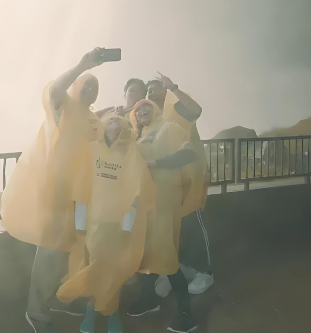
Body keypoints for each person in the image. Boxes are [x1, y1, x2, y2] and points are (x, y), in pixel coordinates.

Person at [0, 48, 108, 333]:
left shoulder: (92, 117)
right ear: (76, 86)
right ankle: (34, 310)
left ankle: (58, 298)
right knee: (49, 249)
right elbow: (55, 90)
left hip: (83, 196)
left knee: (72, 249)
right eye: (85, 84)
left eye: (93, 87)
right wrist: (82, 64)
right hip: (56, 191)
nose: (89, 89)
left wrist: (113, 112)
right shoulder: (64, 105)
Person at [55, 116, 156, 333]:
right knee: (95, 270)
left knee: (113, 271)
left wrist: (128, 225)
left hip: (117, 224)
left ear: (125, 129)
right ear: (103, 127)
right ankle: (94, 314)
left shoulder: (131, 153)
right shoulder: (91, 150)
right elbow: (82, 186)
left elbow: (137, 192)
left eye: (119, 124)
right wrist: (80, 222)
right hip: (94, 223)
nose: (114, 127)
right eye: (110, 123)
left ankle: (110, 316)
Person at [128, 100, 200, 333]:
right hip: (143, 207)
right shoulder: (138, 138)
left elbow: (189, 153)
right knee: (143, 254)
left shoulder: (169, 128)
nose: (141, 110)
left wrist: (155, 164)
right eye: (137, 109)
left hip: (163, 205)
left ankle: (186, 315)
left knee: (167, 257)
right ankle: (149, 300)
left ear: (156, 110)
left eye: (146, 106)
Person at [146, 76, 214, 296]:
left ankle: (205, 272)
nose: (151, 93)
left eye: (155, 89)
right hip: (166, 183)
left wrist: (173, 88)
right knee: (169, 228)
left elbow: (196, 110)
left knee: (191, 221)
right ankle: (174, 271)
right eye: (148, 91)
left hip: (189, 175)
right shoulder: (151, 119)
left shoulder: (177, 109)